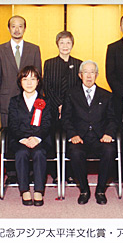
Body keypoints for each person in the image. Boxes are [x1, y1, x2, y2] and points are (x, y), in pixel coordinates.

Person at [61, 60, 117, 205]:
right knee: (75, 152)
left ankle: (100, 190)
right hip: (79, 138)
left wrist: (109, 134)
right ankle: (84, 190)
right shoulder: (71, 94)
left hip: (100, 137)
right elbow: (65, 119)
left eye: (92, 72)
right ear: (80, 75)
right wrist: (73, 134)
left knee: (110, 151)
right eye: (86, 72)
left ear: (97, 75)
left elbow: (112, 119)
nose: (89, 75)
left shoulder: (106, 95)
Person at [43, 31, 82, 184]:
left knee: (71, 140)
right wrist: (58, 105)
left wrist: (66, 107)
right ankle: (56, 173)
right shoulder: (49, 63)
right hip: (53, 109)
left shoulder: (79, 64)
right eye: (62, 43)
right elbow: (47, 86)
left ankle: (71, 173)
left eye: (68, 43)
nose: (65, 46)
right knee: (52, 140)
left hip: (73, 110)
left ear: (72, 45)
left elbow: (79, 89)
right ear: (57, 44)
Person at [8, 66, 51, 206]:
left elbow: (47, 124)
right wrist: (24, 139)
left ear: (38, 81)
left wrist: (36, 138)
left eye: (33, 79)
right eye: (25, 79)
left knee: (39, 153)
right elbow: (12, 124)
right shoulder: (14, 101)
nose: (29, 83)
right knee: (21, 153)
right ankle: (24, 189)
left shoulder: (45, 101)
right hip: (20, 139)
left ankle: (38, 190)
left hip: (41, 139)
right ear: (20, 82)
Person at [0, 15, 42, 128]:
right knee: (7, 133)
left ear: (25, 28)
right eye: (13, 26)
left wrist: (39, 97)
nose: (17, 30)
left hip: (29, 98)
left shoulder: (34, 49)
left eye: (20, 26)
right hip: (6, 98)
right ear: (9, 28)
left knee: (28, 131)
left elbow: (38, 75)